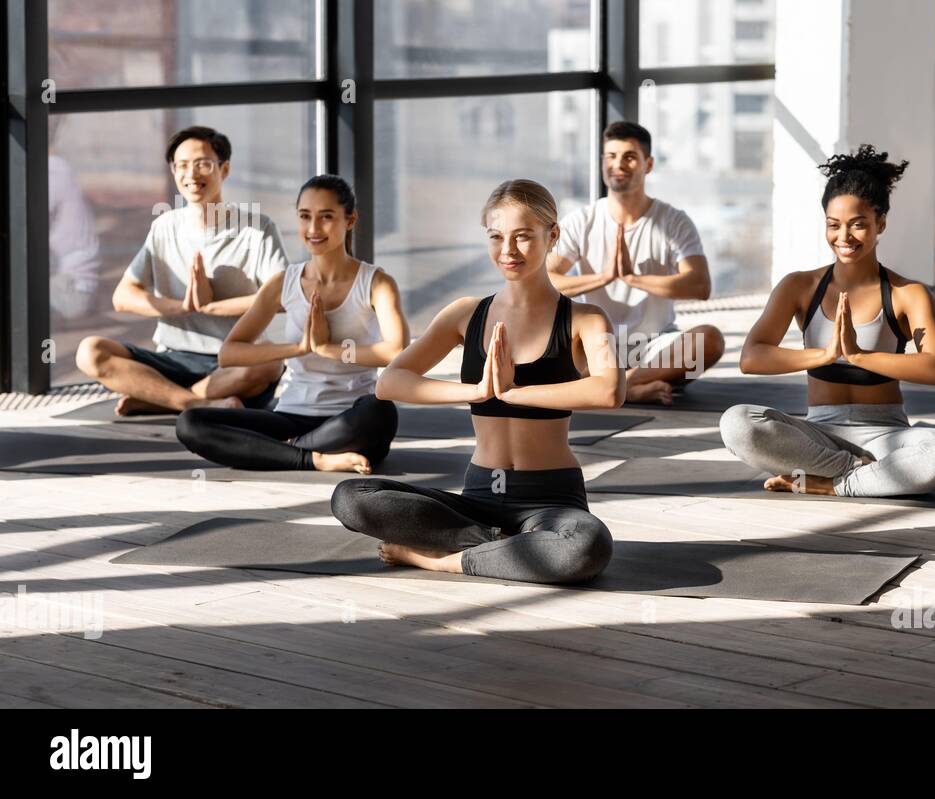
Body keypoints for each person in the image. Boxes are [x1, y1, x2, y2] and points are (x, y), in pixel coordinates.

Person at [330, 179, 623, 584]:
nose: (508, 251)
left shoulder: (585, 319)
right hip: (480, 497)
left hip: (552, 500)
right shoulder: (465, 314)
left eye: (523, 237)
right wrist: (476, 392)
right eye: (497, 237)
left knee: (586, 547)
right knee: (351, 498)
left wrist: (513, 393)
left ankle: (445, 559)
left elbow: (609, 389)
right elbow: (390, 382)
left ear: (552, 235)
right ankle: (500, 544)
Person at [719, 145, 935, 497]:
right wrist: (824, 355)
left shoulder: (908, 293)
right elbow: (751, 357)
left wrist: (859, 356)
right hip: (817, 437)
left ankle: (833, 484)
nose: (844, 237)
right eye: (834, 225)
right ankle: (860, 475)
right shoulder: (799, 286)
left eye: (858, 225)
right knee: (737, 424)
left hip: (888, 435)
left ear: (880, 223)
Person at [175, 175, 407, 473]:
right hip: (291, 414)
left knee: (381, 411)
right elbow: (230, 353)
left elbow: (396, 350)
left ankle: (277, 451)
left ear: (350, 220)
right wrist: (297, 348)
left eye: (326, 217)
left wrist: (328, 349)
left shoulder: (376, 282)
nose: (313, 229)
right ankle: (314, 457)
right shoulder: (283, 283)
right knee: (191, 422)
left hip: (351, 415)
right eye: (305, 216)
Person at [75, 126, 288, 415]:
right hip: (172, 361)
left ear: (224, 169)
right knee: (90, 351)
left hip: (232, 362)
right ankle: (194, 402)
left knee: (271, 362)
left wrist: (213, 307)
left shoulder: (258, 228)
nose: (192, 174)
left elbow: (282, 297)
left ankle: (162, 398)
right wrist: (182, 307)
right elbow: (123, 296)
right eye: (183, 166)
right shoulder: (165, 226)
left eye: (202, 164)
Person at [547, 120, 725, 405]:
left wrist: (634, 278)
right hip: (596, 346)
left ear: (648, 164)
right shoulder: (582, 221)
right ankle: (628, 389)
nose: (619, 164)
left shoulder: (673, 221)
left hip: (656, 347)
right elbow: (547, 281)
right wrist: (603, 277)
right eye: (611, 156)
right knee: (547, 339)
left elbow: (700, 285)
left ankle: (622, 386)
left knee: (710, 341)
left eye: (629, 157)